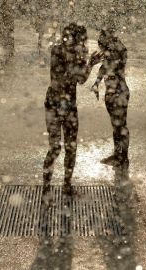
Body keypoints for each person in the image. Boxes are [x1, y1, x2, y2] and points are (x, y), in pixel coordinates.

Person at [43, 23, 103, 196]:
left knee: (54, 147)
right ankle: (66, 186)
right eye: (82, 39)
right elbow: (81, 78)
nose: (84, 43)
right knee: (70, 146)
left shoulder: (56, 50)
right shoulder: (73, 54)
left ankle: (47, 189)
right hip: (67, 105)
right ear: (76, 38)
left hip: (53, 102)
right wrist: (90, 63)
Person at [92, 29, 130, 167]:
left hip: (118, 92)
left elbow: (109, 65)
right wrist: (96, 83)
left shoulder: (118, 51)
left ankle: (123, 158)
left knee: (120, 126)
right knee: (116, 125)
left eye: (101, 41)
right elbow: (104, 67)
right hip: (114, 92)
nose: (100, 45)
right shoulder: (112, 53)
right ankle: (118, 155)